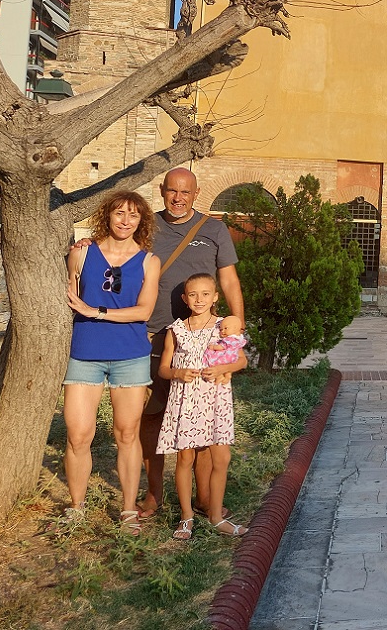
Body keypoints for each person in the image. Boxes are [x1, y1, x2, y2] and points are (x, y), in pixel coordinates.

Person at [140, 168, 244, 519]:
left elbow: (229, 280)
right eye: (172, 191)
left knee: (200, 425)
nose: (178, 198)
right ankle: (154, 494)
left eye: (186, 192)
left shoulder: (214, 229)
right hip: (155, 336)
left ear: (196, 194)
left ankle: (202, 500)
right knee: (151, 419)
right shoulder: (146, 226)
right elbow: (118, 255)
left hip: (204, 342)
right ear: (162, 190)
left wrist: (236, 324)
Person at [62, 191, 160, 534]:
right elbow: (67, 296)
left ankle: (129, 509)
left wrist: (96, 311)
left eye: (133, 215)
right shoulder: (82, 253)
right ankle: (76, 508)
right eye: (119, 213)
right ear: (108, 215)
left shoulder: (149, 261)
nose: (125, 221)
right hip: (84, 353)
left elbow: (144, 311)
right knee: (77, 434)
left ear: (141, 221)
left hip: (130, 356)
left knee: (127, 434)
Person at [158, 273, 249, 538]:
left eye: (206, 294)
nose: (199, 300)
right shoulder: (176, 330)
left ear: (215, 297)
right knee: (185, 458)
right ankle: (186, 516)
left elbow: (241, 360)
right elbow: (164, 368)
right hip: (185, 399)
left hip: (215, 400)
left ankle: (216, 515)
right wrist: (177, 373)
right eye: (194, 295)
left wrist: (224, 366)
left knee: (221, 457)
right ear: (185, 299)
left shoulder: (223, 326)